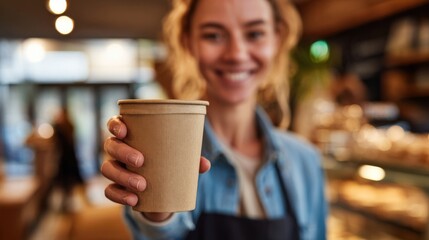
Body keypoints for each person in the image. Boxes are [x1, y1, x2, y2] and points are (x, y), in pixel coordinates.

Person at [101, 0, 327, 239]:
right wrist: (156, 207)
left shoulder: (306, 161)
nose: (236, 54)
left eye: (255, 33)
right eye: (214, 35)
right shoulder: (158, 153)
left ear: (276, 39)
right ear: (188, 42)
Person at [51, 107, 85, 212]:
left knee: (66, 183)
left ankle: (66, 206)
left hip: (66, 159)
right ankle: (67, 205)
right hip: (70, 158)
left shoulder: (61, 128)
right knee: (68, 183)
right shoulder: (69, 126)